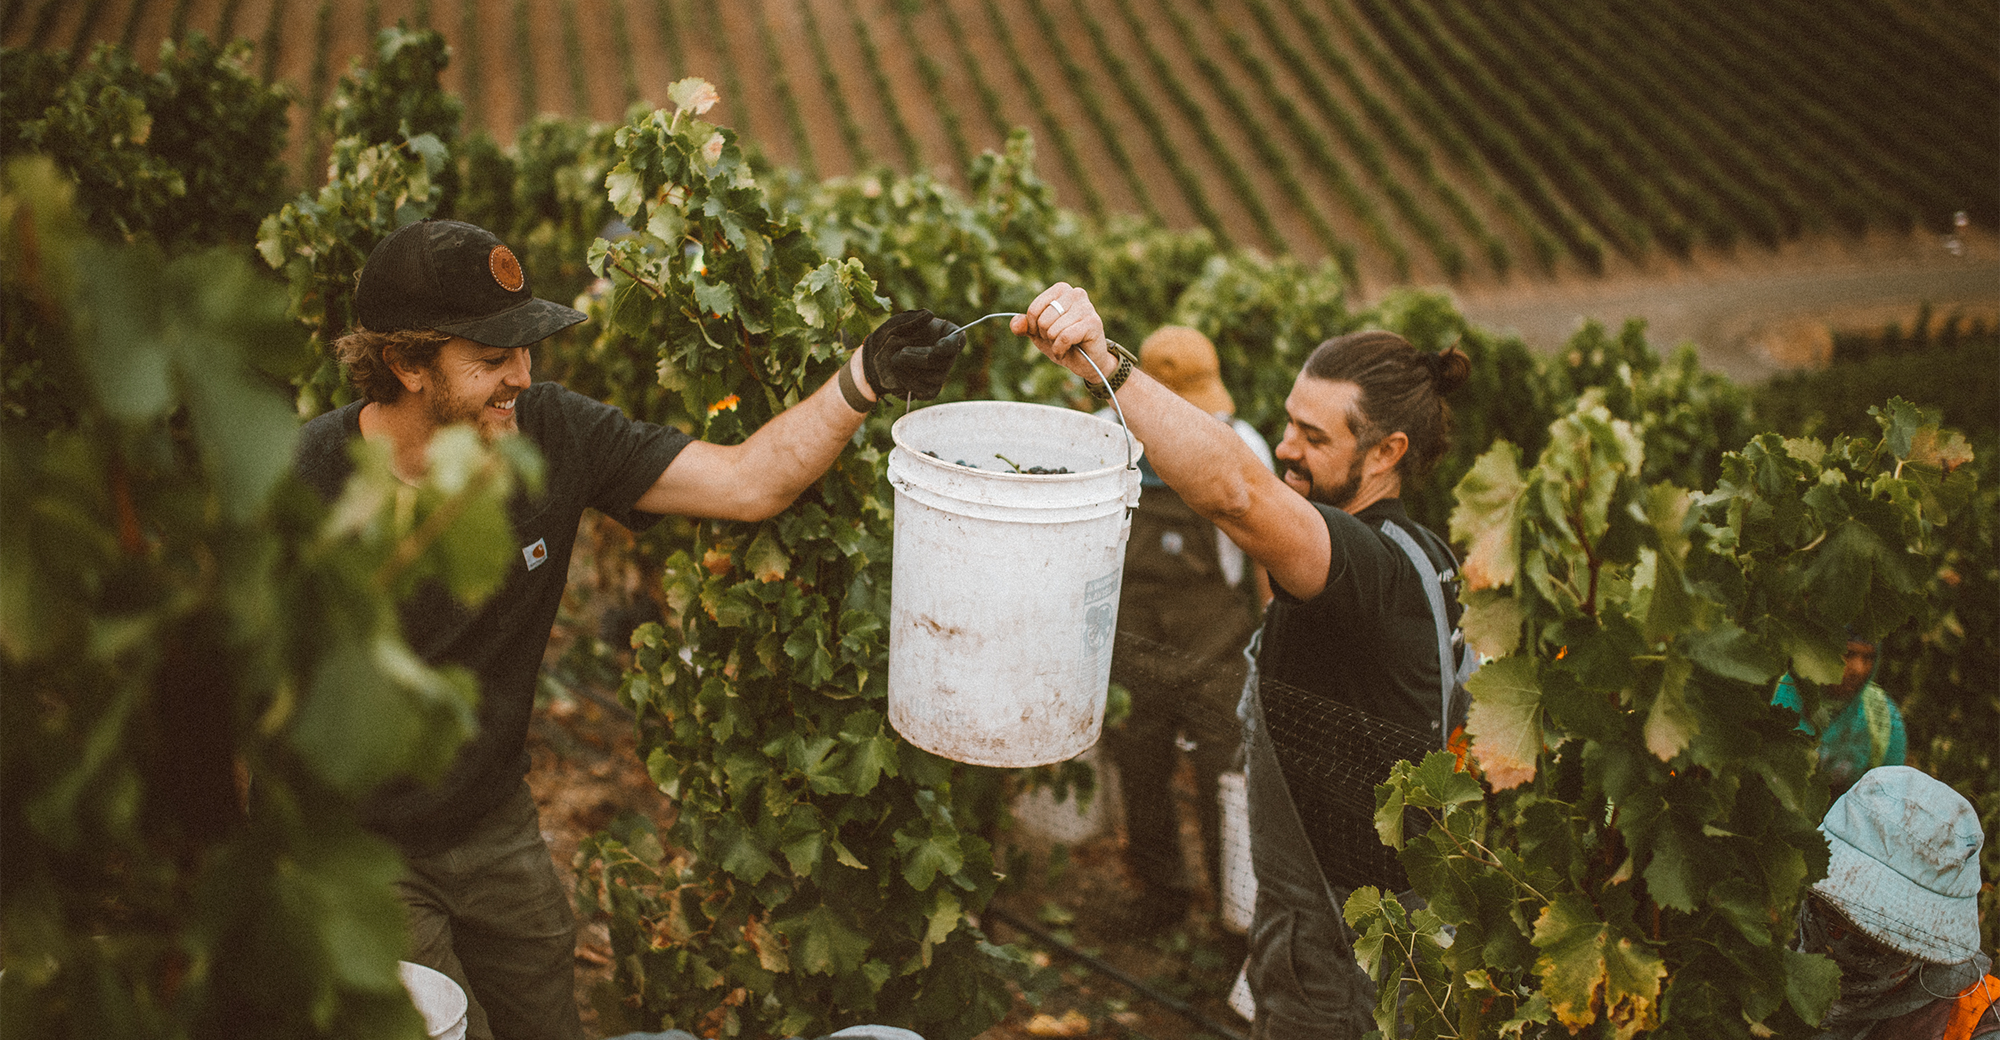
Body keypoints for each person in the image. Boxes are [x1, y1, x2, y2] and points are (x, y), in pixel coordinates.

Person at [294, 218, 963, 1040]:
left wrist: (862, 377)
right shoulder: (303, 488)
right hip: (361, 849)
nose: (522, 377)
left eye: (526, 351)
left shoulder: (553, 430)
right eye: (493, 360)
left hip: (493, 824)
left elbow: (747, 482)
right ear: (405, 363)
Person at [1014, 287, 1474, 1039]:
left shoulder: (1365, 567)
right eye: (1288, 422)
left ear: (1388, 452)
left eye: (1313, 436)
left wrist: (1104, 364)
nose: (1286, 446)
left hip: (1336, 963)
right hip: (1357, 939)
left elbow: (1234, 493)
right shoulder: (1422, 556)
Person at [1097, 325, 1271, 933]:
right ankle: (1161, 897)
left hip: (1216, 652)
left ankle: (1235, 917)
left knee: (1226, 779)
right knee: (1139, 766)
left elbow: (1264, 552)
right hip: (1136, 643)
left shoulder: (1242, 442)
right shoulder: (1107, 437)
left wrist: (1270, 635)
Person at [1795, 766, 1996, 1039]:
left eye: (1873, 941)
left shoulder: (1975, 1023)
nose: (1838, 938)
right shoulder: (1763, 946)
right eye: (1829, 912)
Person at [1773, 635, 1908, 799]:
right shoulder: (1776, 694)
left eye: (1868, 657)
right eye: (1848, 654)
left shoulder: (1883, 716)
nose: (1858, 669)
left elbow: (1889, 797)